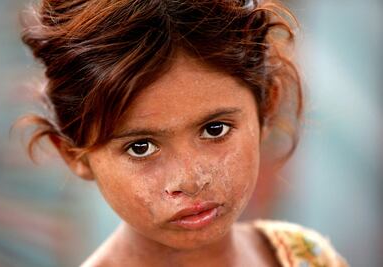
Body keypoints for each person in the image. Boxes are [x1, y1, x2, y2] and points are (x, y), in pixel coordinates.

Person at [19, 0, 349, 266]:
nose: (190, 179)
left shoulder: (307, 256)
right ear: (74, 155)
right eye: (141, 147)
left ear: (266, 108)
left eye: (215, 129)